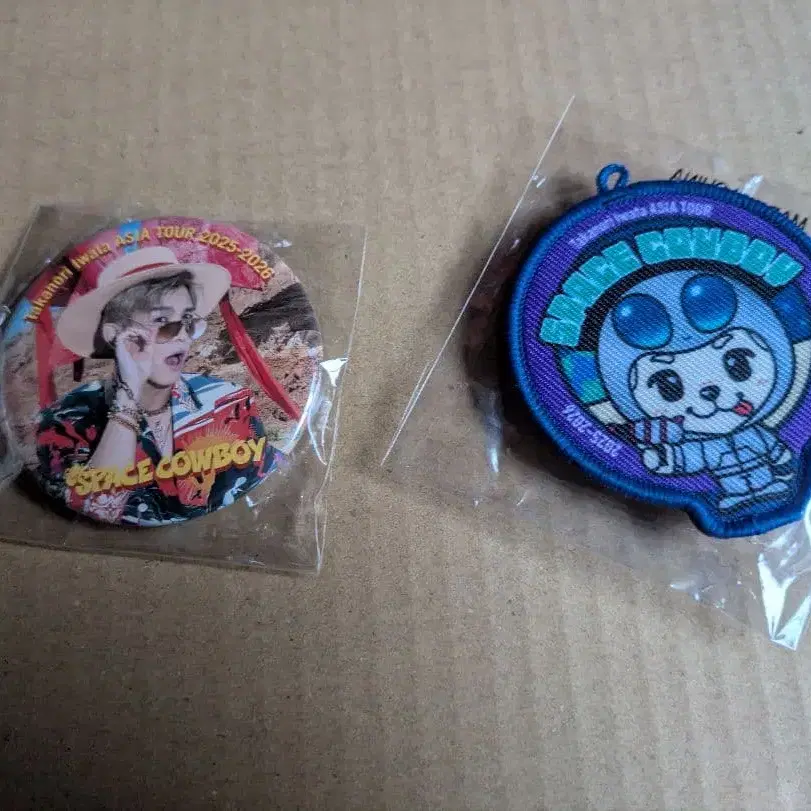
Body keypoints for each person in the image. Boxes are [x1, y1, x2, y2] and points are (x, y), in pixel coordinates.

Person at [36, 247, 279, 525]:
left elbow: (258, 489)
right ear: (116, 336)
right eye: (162, 322)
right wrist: (127, 400)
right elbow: (98, 510)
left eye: (188, 321)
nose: (182, 337)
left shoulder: (228, 402)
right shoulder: (66, 421)